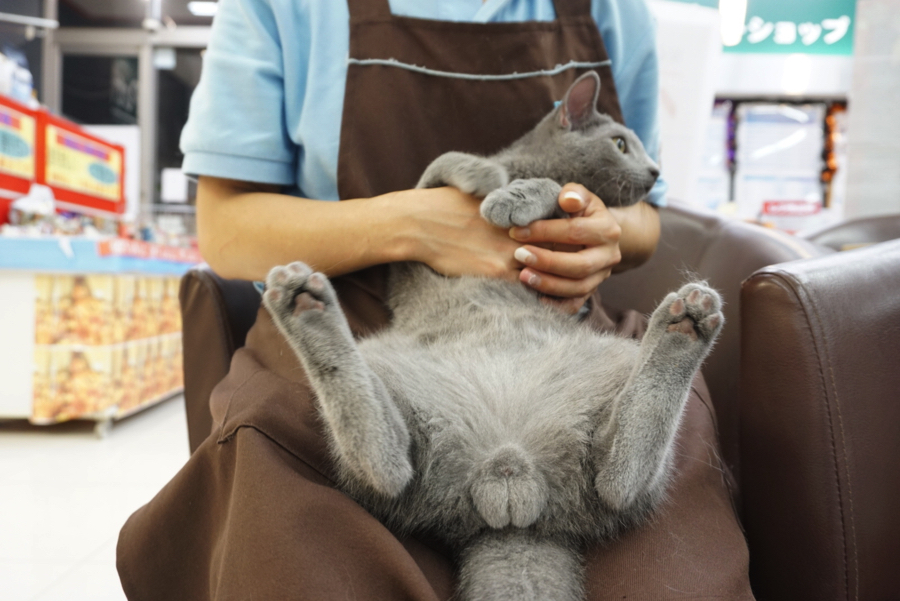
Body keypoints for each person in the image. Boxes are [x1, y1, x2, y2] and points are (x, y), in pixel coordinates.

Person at [117, 1, 755, 599]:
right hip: (367, 312)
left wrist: (606, 234)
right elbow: (227, 228)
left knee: (671, 551)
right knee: (298, 531)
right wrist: (412, 226)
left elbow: (646, 215)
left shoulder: (613, 9)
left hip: (562, 327)